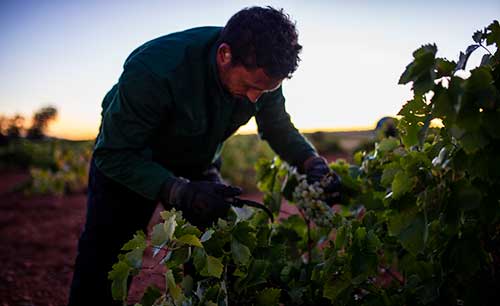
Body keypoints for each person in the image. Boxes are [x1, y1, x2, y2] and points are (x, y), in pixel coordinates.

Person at [68, 6, 341, 306]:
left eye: (264, 91)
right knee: (107, 256)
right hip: (132, 161)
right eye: (250, 87)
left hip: (197, 161)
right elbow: (114, 154)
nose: (255, 98)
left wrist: (312, 163)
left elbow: (277, 126)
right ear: (224, 55)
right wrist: (179, 191)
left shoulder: (264, 75)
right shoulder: (153, 70)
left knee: (214, 252)